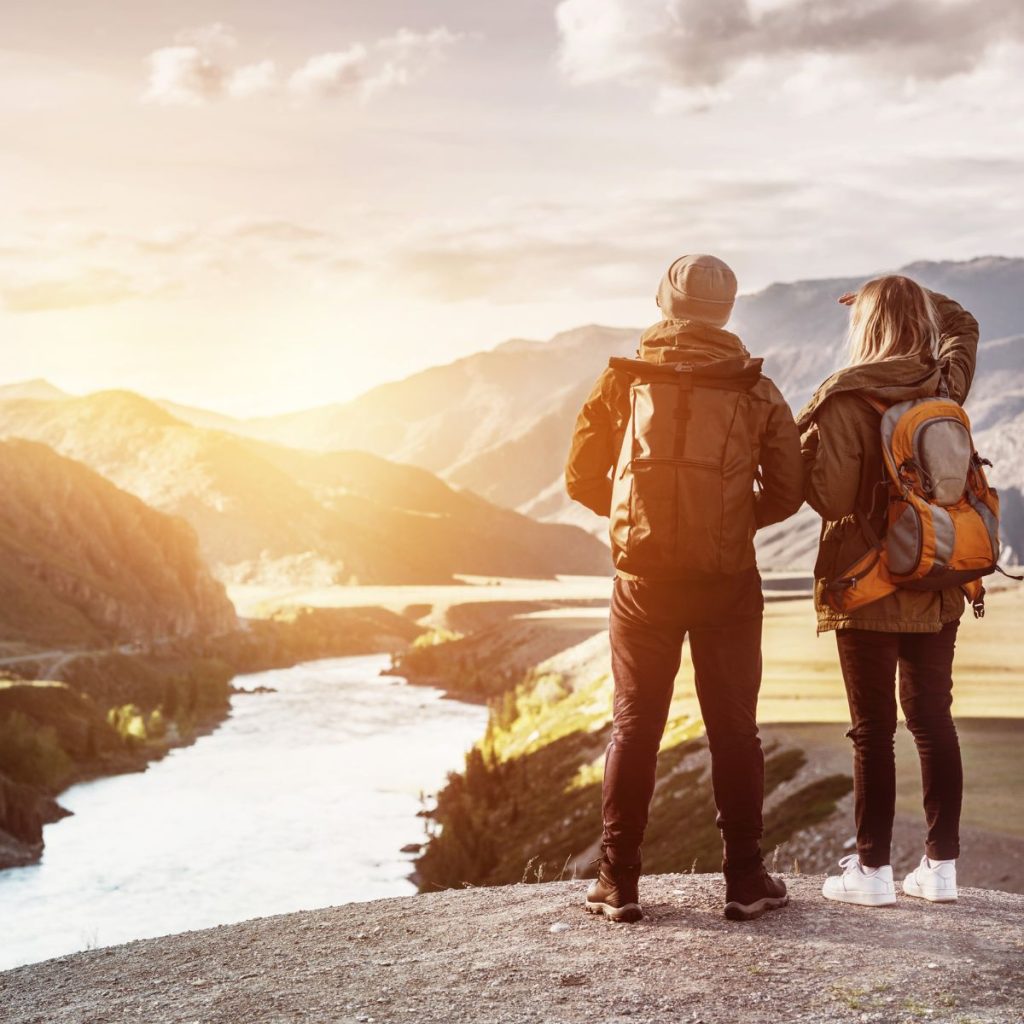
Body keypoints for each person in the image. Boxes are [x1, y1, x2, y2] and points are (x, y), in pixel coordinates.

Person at [565, 253, 804, 922]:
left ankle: (619, 882)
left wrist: (639, 525)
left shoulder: (622, 383)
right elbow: (789, 488)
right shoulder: (755, 388)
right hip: (726, 582)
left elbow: (582, 478)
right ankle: (746, 881)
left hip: (642, 583)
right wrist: (726, 523)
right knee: (734, 728)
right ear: (725, 313)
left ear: (664, 302)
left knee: (635, 724)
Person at [798, 276, 979, 907]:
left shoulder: (845, 398)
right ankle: (942, 869)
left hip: (867, 588)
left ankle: (872, 873)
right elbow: (965, 328)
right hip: (936, 577)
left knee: (873, 730)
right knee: (933, 720)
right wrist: (922, 292)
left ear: (865, 326)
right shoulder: (943, 385)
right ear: (918, 322)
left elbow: (831, 498)